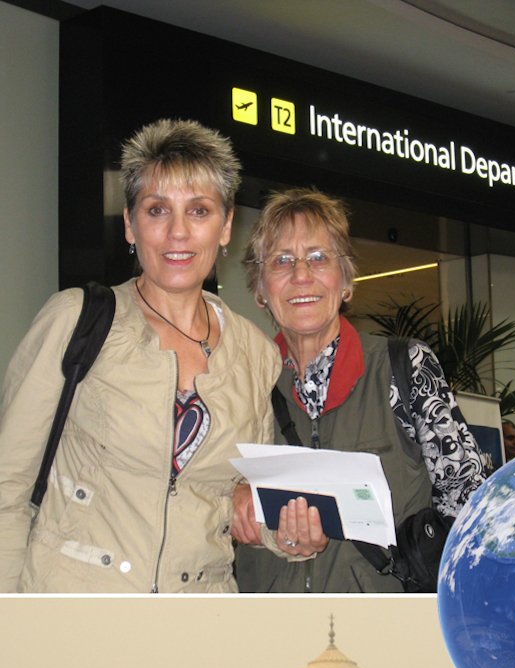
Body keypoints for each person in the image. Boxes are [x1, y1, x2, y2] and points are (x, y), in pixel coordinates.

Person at [0, 119, 321, 593]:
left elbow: (233, 500)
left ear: (226, 224)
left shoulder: (254, 353)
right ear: (130, 224)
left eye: (198, 211)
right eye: (156, 210)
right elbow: (8, 486)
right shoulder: (77, 320)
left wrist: (286, 534)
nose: (177, 233)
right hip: (75, 612)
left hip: (195, 623)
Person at [233, 188, 486, 592]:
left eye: (318, 257)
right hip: (268, 626)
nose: (301, 275)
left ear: (346, 280)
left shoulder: (405, 368)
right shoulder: (239, 380)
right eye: (282, 260)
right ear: (261, 289)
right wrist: (234, 498)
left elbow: (471, 500)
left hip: (377, 629)